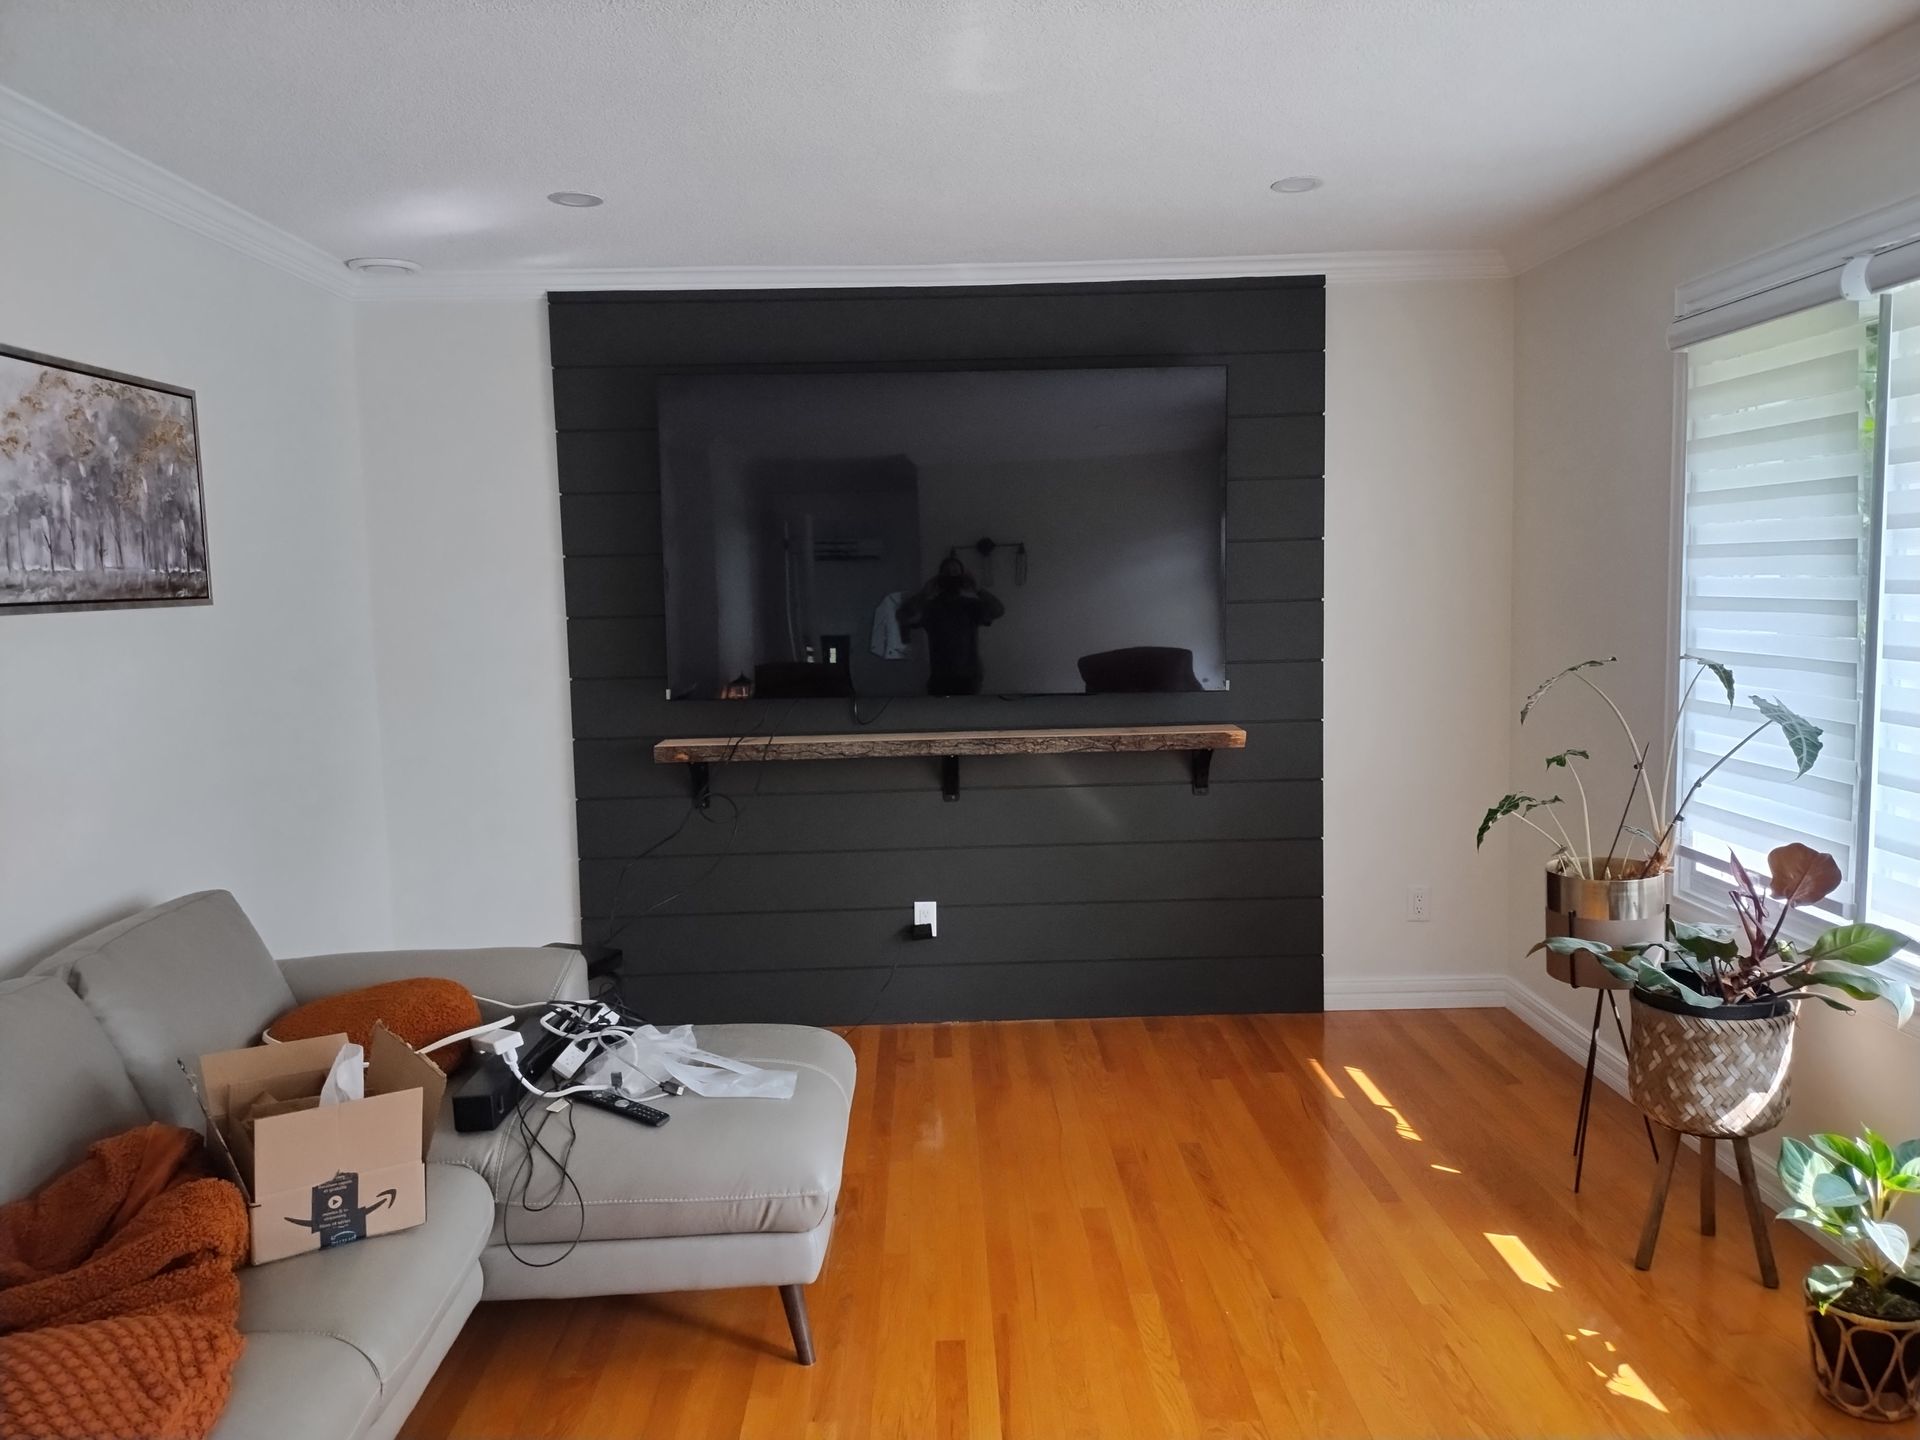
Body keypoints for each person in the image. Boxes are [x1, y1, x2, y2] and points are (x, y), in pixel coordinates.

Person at [896, 557, 1005, 695]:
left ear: (963, 577)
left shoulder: (970, 605)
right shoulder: (932, 607)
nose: (952, 576)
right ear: (939, 578)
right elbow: (902, 615)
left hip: (968, 678)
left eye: (955, 572)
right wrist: (923, 594)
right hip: (940, 678)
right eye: (947, 572)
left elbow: (998, 610)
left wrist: (977, 589)